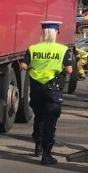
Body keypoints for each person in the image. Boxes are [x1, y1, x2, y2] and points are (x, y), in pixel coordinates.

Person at [19, 20, 74, 165]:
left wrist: (34, 69)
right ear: (56, 33)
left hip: (36, 88)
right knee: (50, 121)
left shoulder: (33, 48)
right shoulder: (62, 50)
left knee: (39, 117)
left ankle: (38, 147)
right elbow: (69, 70)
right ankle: (47, 154)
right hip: (53, 89)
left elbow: (23, 65)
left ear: (42, 32)